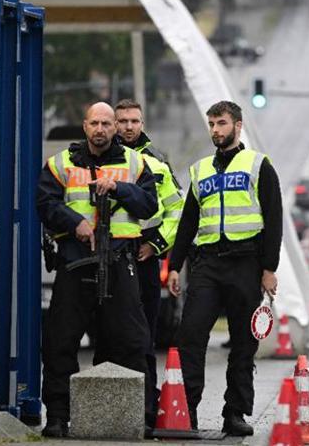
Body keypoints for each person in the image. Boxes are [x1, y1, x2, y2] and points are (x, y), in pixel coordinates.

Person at [36, 102, 158, 437]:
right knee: (60, 341)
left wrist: (119, 188)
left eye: (107, 123)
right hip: (76, 261)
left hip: (119, 262)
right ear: (85, 126)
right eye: (95, 123)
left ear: (114, 128)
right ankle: (58, 417)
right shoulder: (61, 163)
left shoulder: (135, 163)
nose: (101, 129)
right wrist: (75, 223)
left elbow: (150, 204)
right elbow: (45, 204)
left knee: (133, 341)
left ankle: (139, 417)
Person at [167, 100, 282, 436]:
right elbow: (188, 222)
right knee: (191, 336)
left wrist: (269, 268)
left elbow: (274, 219)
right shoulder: (200, 169)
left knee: (243, 343)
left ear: (237, 125)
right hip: (207, 264)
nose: (216, 130)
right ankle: (185, 410)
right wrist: (175, 265)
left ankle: (235, 413)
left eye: (221, 123)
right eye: (212, 124)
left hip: (246, 263)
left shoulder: (258, 165)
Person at [114, 98, 184, 426]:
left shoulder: (156, 162)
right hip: (104, 257)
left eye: (134, 121)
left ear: (142, 123)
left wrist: (156, 244)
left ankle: (145, 408)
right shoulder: (99, 158)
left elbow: (177, 210)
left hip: (142, 257)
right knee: (108, 333)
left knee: (144, 337)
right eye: (122, 120)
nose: (128, 126)